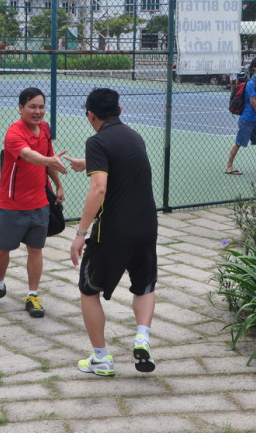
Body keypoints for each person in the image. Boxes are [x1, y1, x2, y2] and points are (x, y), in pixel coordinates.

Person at [64, 88, 158, 377]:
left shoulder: (97, 141)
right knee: (144, 286)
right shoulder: (134, 136)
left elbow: (99, 188)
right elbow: (121, 166)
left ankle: (101, 359)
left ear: (91, 115)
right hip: (147, 227)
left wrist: (80, 232)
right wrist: (88, 163)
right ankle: (142, 336)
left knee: (88, 289)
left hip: (113, 232)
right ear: (119, 110)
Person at [0, 87, 67, 318]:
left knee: (36, 250)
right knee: (2, 249)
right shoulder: (14, 133)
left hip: (39, 202)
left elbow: (49, 160)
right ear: (20, 108)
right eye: (32, 107)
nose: (37, 111)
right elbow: (29, 155)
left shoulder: (45, 129)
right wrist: (49, 159)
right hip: (12, 204)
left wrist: (58, 184)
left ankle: (33, 294)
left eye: (41, 107)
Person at [225, 56, 256, 176]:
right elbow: (253, 101)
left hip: (255, 120)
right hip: (247, 119)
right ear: (254, 68)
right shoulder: (251, 83)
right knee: (239, 143)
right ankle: (229, 166)